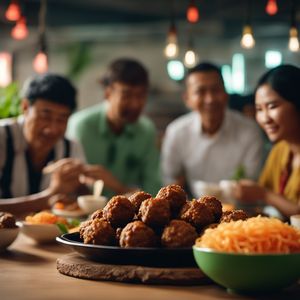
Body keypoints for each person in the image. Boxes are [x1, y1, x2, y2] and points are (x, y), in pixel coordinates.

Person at [161, 62, 264, 197]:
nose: (210, 99)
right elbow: (169, 180)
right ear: (187, 99)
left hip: (242, 211)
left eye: (215, 90)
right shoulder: (176, 132)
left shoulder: (250, 131)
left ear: (226, 94)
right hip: (195, 211)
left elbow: (253, 180)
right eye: (200, 92)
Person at [67, 58, 161, 197]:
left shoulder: (146, 131)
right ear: (108, 93)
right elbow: (72, 185)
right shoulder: (82, 126)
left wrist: (116, 186)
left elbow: (153, 189)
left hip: (132, 215)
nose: (135, 104)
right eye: (126, 95)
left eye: (141, 95)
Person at [0, 73, 87, 216]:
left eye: (62, 119)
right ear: (25, 107)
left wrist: (81, 185)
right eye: (45, 116)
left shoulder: (71, 147)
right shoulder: (3, 138)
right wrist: (49, 197)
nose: (52, 129)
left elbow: (79, 202)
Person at [234, 64, 300, 218]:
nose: (265, 119)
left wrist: (263, 194)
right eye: (259, 109)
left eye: (272, 106)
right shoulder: (280, 149)